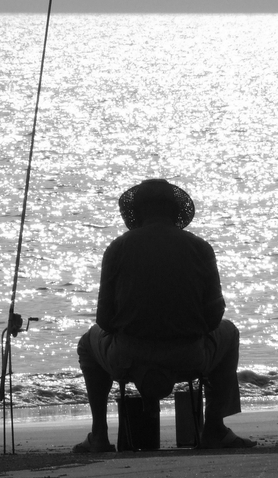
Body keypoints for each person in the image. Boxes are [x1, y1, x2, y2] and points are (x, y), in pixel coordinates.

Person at [73, 178, 257, 452]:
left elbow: (104, 319)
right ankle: (214, 427)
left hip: (129, 358)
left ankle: (99, 434)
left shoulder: (118, 248)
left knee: (87, 344)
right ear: (174, 212)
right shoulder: (200, 248)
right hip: (188, 357)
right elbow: (215, 314)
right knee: (230, 332)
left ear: (139, 212)